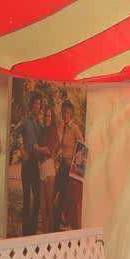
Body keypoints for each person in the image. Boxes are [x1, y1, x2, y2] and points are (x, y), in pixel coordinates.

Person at [54, 100, 84, 231]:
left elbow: (82, 149)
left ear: (71, 113)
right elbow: (58, 145)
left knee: (66, 197)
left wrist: (75, 165)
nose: (65, 115)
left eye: (67, 112)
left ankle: (65, 225)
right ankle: (55, 227)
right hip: (61, 167)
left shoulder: (75, 129)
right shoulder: (62, 127)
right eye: (63, 112)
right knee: (56, 194)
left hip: (69, 170)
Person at [19, 92, 43, 235]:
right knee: (27, 198)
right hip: (26, 164)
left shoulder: (40, 125)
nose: (37, 106)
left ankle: (32, 230)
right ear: (31, 105)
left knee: (38, 197)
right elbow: (14, 135)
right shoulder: (25, 121)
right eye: (35, 103)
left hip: (36, 165)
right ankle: (25, 232)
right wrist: (22, 149)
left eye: (39, 104)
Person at [36, 107, 59, 233]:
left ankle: (51, 234)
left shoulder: (53, 131)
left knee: (50, 203)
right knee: (42, 205)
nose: (47, 118)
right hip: (41, 168)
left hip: (49, 167)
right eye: (45, 115)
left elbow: (49, 150)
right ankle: (44, 234)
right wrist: (39, 149)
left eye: (49, 116)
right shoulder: (41, 131)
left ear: (52, 118)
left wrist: (38, 148)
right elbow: (39, 152)